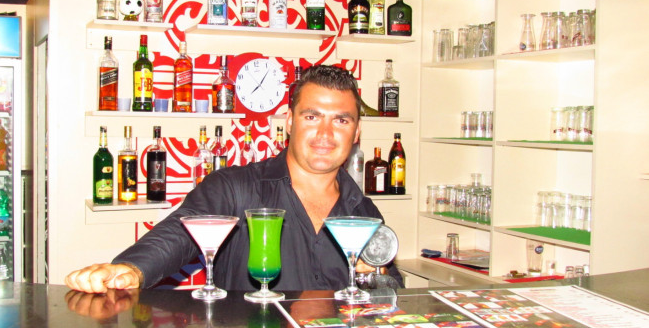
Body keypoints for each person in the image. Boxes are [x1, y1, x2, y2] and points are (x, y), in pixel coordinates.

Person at [65, 65, 403, 293]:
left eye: (341, 120)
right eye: (312, 117)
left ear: (356, 132)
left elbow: (392, 286)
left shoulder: (364, 210)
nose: (325, 134)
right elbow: (180, 232)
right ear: (289, 122)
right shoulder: (235, 188)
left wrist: (378, 276)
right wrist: (131, 269)